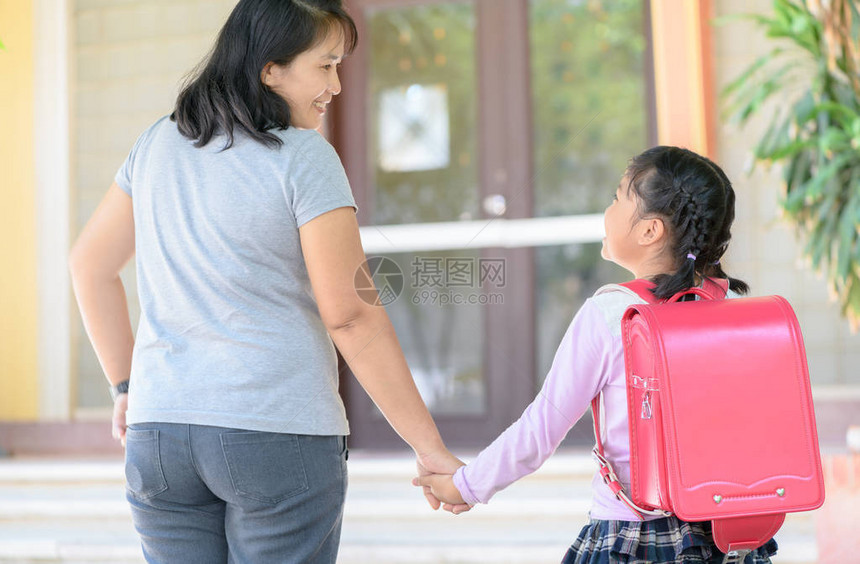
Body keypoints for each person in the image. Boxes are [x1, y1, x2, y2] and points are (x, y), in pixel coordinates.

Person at [68, 1, 462, 562]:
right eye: (325, 66)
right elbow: (351, 315)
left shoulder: (155, 144)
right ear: (270, 70)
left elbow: (89, 264)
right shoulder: (303, 156)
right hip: (275, 434)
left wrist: (126, 388)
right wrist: (429, 448)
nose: (338, 86)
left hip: (160, 437)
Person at [414, 146, 779, 563]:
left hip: (635, 537)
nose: (608, 210)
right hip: (728, 534)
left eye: (618, 197)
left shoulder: (611, 316)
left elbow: (539, 430)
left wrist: (466, 485)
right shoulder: (734, 306)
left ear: (650, 231)